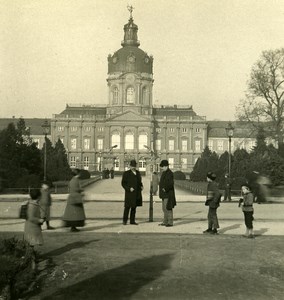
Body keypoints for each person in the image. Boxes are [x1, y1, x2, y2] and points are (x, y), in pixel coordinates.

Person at [121, 159, 143, 225]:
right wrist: (128, 188)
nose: (133, 167)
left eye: (134, 166)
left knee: (134, 207)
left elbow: (139, 182)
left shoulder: (138, 173)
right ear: (130, 166)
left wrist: (141, 186)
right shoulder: (126, 173)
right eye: (132, 166)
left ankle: (132, 221)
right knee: (127, 207)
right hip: (129, 193)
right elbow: (123, 183)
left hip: (136, 193)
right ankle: (124, 221)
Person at [158, 160, 176, 227]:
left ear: (166, 166)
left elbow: (171, 183)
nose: (162, 168)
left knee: (168, 208)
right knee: (164, 208)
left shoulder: (169, 173)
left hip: (168, 193)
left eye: (162, 167)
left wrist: (165, 188)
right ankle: (165, 221)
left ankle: (170, 222)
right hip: (164, 194)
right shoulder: (164, 172)